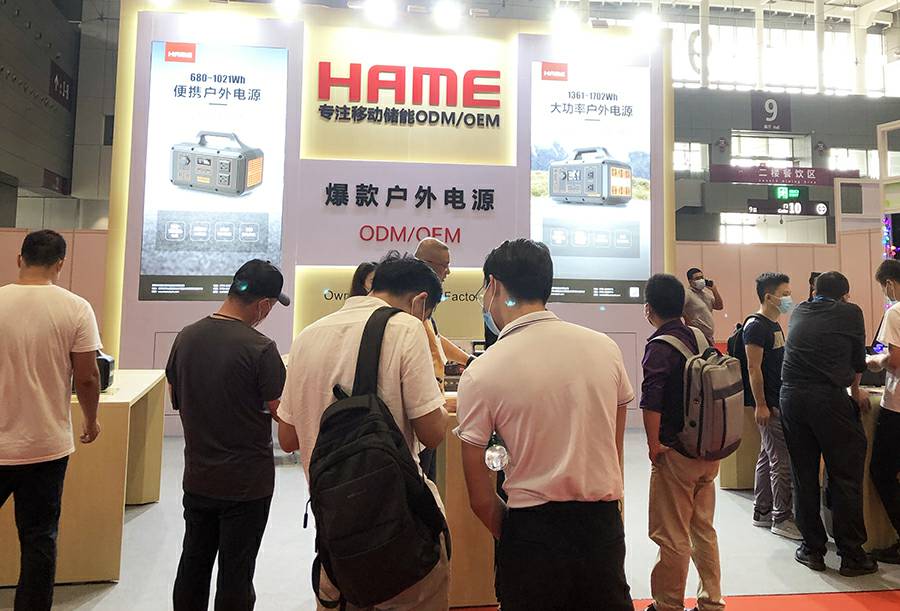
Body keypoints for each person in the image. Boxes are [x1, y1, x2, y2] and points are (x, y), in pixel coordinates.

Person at [455, 239, 634, 611]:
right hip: (602, 527)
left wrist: (519, 533)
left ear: (493, 286)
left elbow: (480, 496)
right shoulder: (605, 348)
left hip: (530, 531)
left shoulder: (483, 371)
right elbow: (613, 452)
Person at [277, 252, 450, 611]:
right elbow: (432, 432)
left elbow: (288, 439)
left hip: (335, 532)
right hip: (398, 528)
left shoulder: (307, 336)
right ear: (420, 302)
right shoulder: (407, 328)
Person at [166, 260, 289, 611]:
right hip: (246, 484)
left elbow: (176, 396)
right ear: (263, 304)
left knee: (193, 565)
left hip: (198, 476)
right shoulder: (261, 348)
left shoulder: (186, 336)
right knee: (236, 574)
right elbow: (282, 413)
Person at [0, 230, 102, 611]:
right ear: (60, 264)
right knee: (39, 538)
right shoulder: (76, 308)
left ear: (19, 258)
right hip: (46, 446)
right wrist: (91, 420)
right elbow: (87, 376)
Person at [780, 271, 875, 576]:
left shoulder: (799, 311)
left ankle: (812, 550)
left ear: (814, 292)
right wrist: (856, 392)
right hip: (827, 398)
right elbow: (858, 361)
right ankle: (852, 555)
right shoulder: (850, 312)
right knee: (845, 474)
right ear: (845, 295)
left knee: (804, 474)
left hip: (790, 397)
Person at [641, 273, 724, 611]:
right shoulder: (701, 337)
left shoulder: (659, 346)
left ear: (649, 309)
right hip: (709, 449)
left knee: (672, 533)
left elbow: (652, 400)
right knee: (703, 528)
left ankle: (668, 604)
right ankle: (712, 601)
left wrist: (653, 446)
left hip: (676, 452)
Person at [745, 273, 801, 540]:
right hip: (770, 403)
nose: (789, 298)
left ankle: (763, 510)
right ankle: (782, 517)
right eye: (785, 294)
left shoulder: (774, 324)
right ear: (769, 297)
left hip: (778, 400)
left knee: (767, 457)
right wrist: (761, 405)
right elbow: (753, 368)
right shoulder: (756, 327)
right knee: (781, 461)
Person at [415, 238, 473, 481]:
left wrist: (469, 360)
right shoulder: (414, 302)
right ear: (428, 265)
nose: (448, 272)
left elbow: (437, 339)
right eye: (444, 265)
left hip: (432, 400)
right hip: (420, 405)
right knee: (421, 476)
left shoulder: (426, 306)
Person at [864, 260, 900, 565]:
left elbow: (896, 359)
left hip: (898, 408)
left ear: (889, 283)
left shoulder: (896, 312)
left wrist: (875, 362)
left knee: (882, 471)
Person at [683, 267, 723, 345]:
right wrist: (687, 320)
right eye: (697, 278)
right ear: (690, 281)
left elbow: (719, 306)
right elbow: (679, 308)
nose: (701, 280)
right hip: (696, 337)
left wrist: (714, 290)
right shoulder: (687, 293)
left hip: (709, 337)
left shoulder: (705, 294)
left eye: (702, 277)